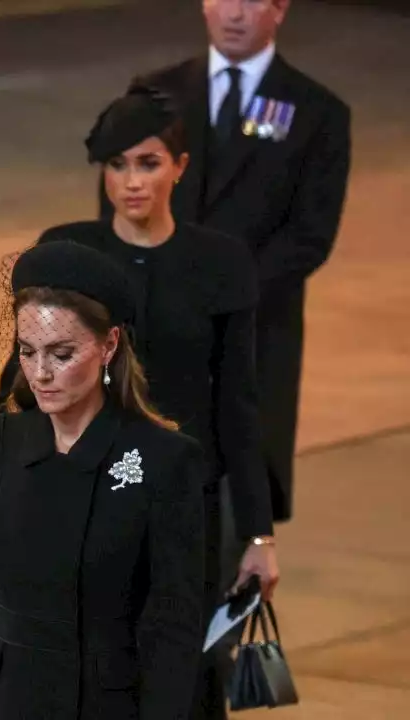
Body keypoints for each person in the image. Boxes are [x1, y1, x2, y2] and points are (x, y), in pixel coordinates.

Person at [1, 87, 282, 716]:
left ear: (179, 167)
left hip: (186, 500)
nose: (132, 181)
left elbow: (239, 403)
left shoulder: (221, 262)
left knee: (187, 661)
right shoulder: (69, 254)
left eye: (148, 163)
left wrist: (259, 533)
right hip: (81, 492)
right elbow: (19, 387)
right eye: (117, 165)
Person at [0, 240, 205, 720]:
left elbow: (172, 631)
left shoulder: (164, 461)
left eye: (61, 354)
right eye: (27, 351)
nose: (41, 374)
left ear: (109, 345)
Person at [109, 0, 351, 525]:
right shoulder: (156, 94)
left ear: (280, 8)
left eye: (251, 0)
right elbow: (119, 204)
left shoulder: (317, 113)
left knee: (236, 508)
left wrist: (220, 291)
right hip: (154, 328)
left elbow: (310, 236)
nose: (234, 13)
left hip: (255, 332)